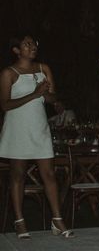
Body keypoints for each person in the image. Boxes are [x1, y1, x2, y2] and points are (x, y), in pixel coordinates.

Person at [0, 34, 74, 239]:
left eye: (34, 43)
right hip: (17, 129)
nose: (32, 47)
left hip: (39, 127)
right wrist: (35, 93)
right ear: (16, 50)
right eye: (27, 44)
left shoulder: (44, 69)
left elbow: (52, 97)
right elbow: (4, 105)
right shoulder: (8, 73)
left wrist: (48, 96)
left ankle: (57, 220)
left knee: (49, 174)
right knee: (18, 175)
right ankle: (19, 222)